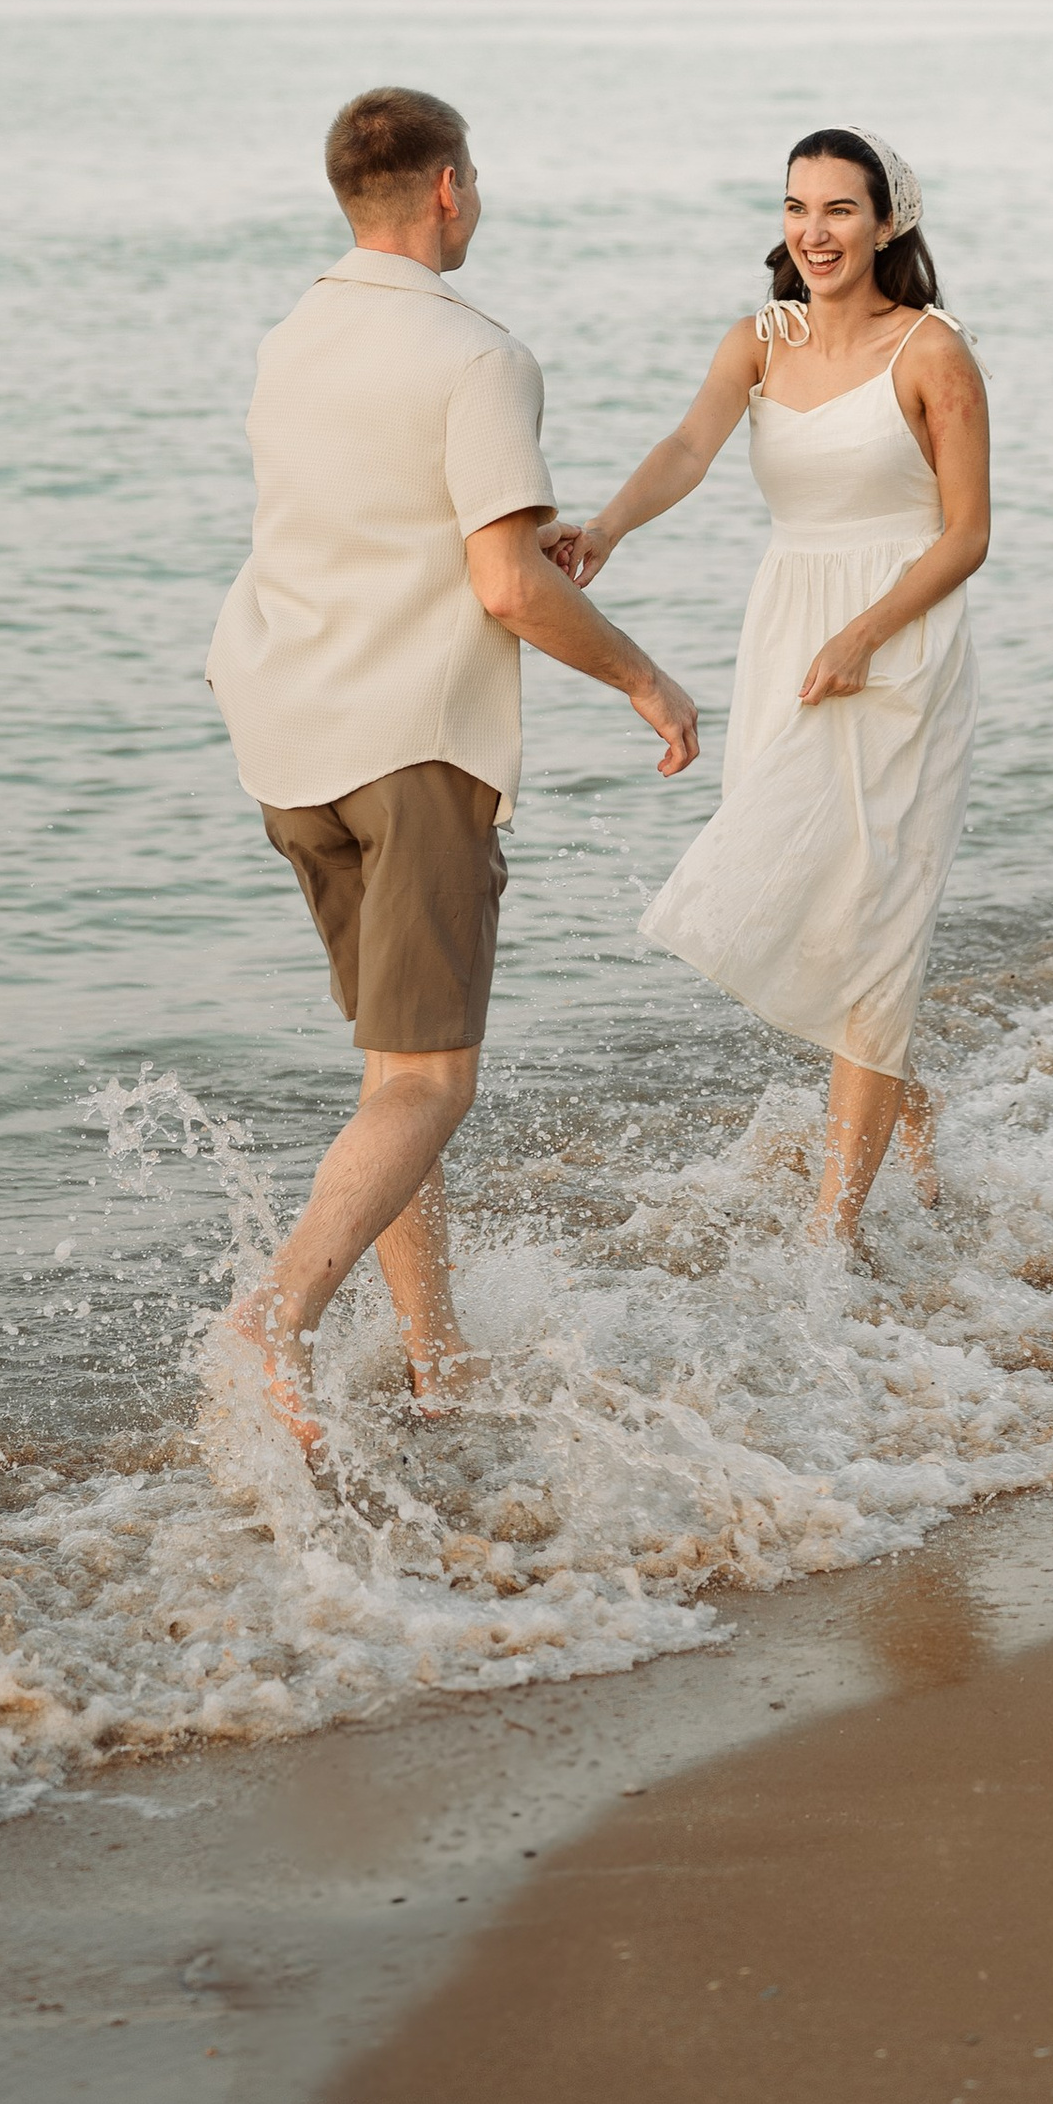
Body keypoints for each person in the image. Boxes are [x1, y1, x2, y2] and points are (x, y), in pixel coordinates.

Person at [204, 86, 699, 1459]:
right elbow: (507, 587)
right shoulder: (477, 355)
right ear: (444, 191)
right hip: (410, 745)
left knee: (391, 1073)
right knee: (434, 1083)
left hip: (287, 734)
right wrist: (648, 680)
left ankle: (437, 1363)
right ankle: (279, 1318)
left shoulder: (287, 338)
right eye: (470, 176)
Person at [552, 129, 987, 1248]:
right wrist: (603, 528)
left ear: (889, 221)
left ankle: (830, 1237)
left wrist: (865, 633)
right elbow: (689, 447)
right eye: (797, 206)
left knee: (878, 908)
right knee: (802, 893)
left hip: (899, 641)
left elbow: (967, 535)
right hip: (786, 630)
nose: (815, 230)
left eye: (840, 209)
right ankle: (895, 1084)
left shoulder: (933, 353)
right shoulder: (758, 340)